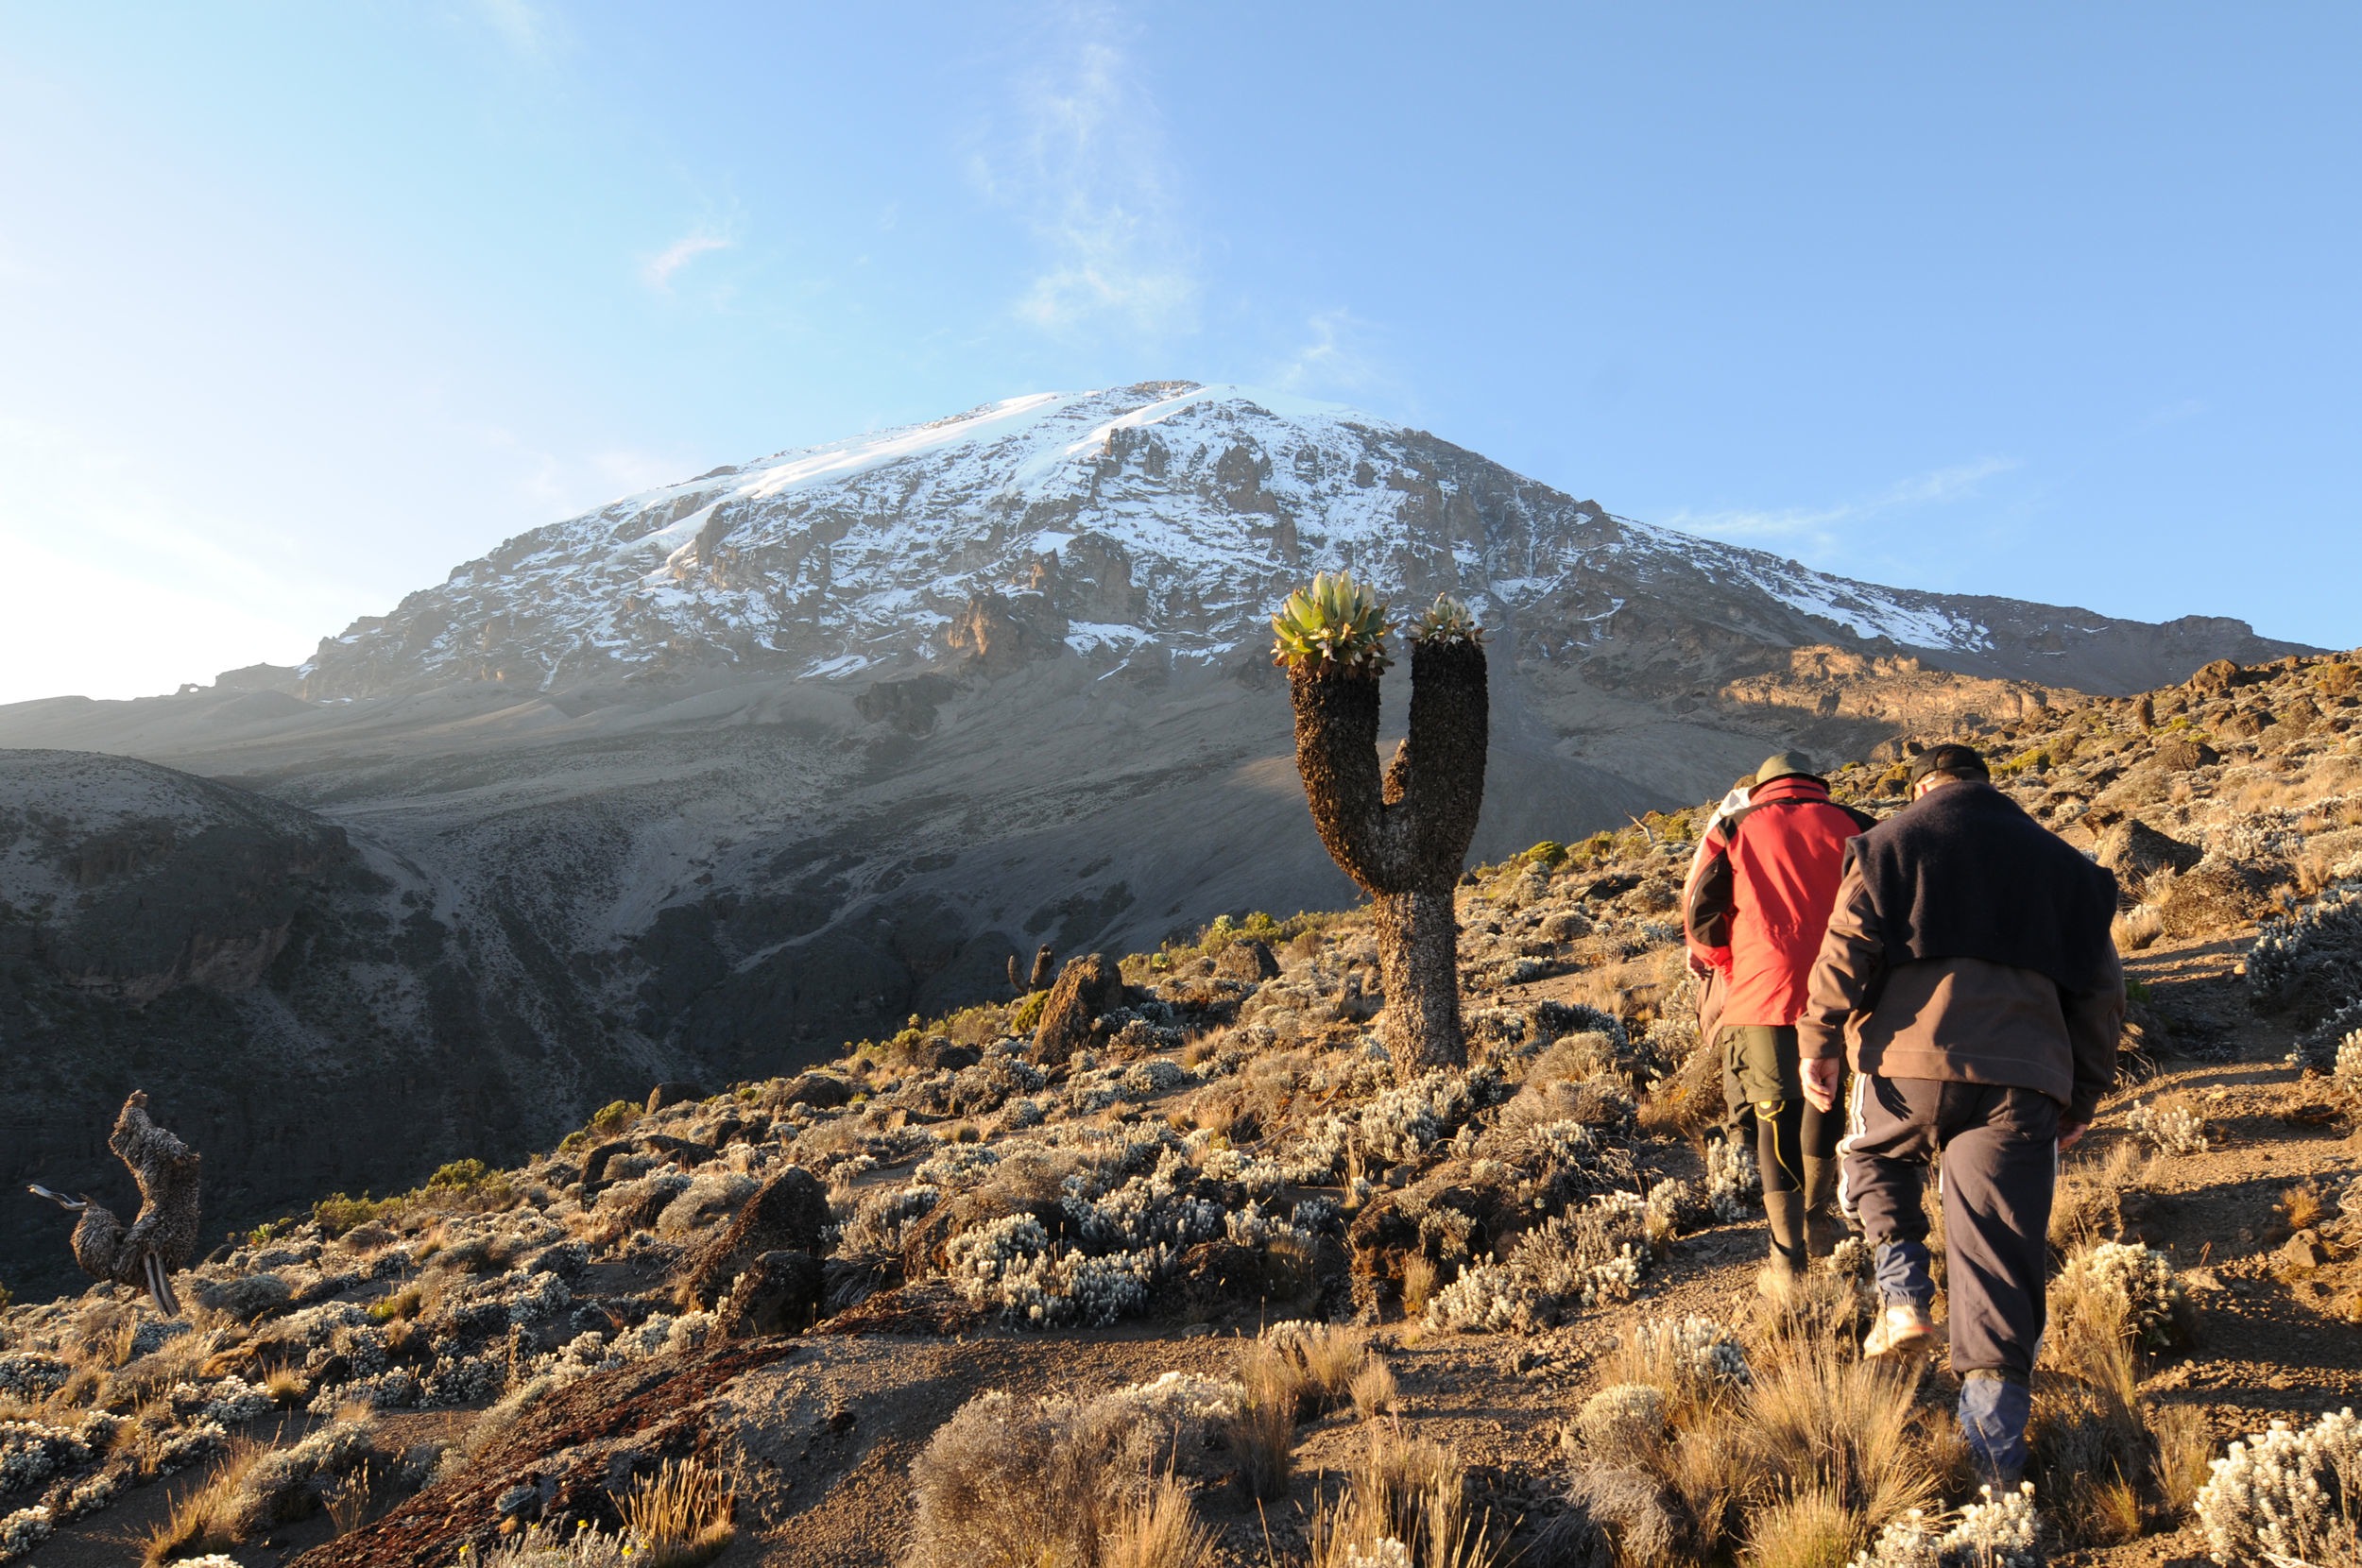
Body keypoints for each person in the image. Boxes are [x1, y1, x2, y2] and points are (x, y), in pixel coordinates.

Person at [1798, 742, 2123, 1488]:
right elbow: (2103, 997)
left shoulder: (1888, 843)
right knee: (2000, 1258)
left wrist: (1818, 1039)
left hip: (1908, 1066)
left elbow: (1845, 950)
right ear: (1988, 785)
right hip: (2022, 1079)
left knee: (1873, 1156)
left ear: (1922, 788)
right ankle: (1994, 1464)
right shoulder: (2067, 867)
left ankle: (1905, 1294)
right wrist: (2082, 1094)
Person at [1682, 751, 1875, 1292]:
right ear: (1815, 785)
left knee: (1774, 1115)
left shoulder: (1734, 826)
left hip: (1762, 989)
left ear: (1764, 787)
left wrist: (1728, 962)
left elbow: (1699, 913)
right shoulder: (1858, 825)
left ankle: (1787, 1257)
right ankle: (1818, 1218)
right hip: (1843, 988)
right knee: (1826, 1097)